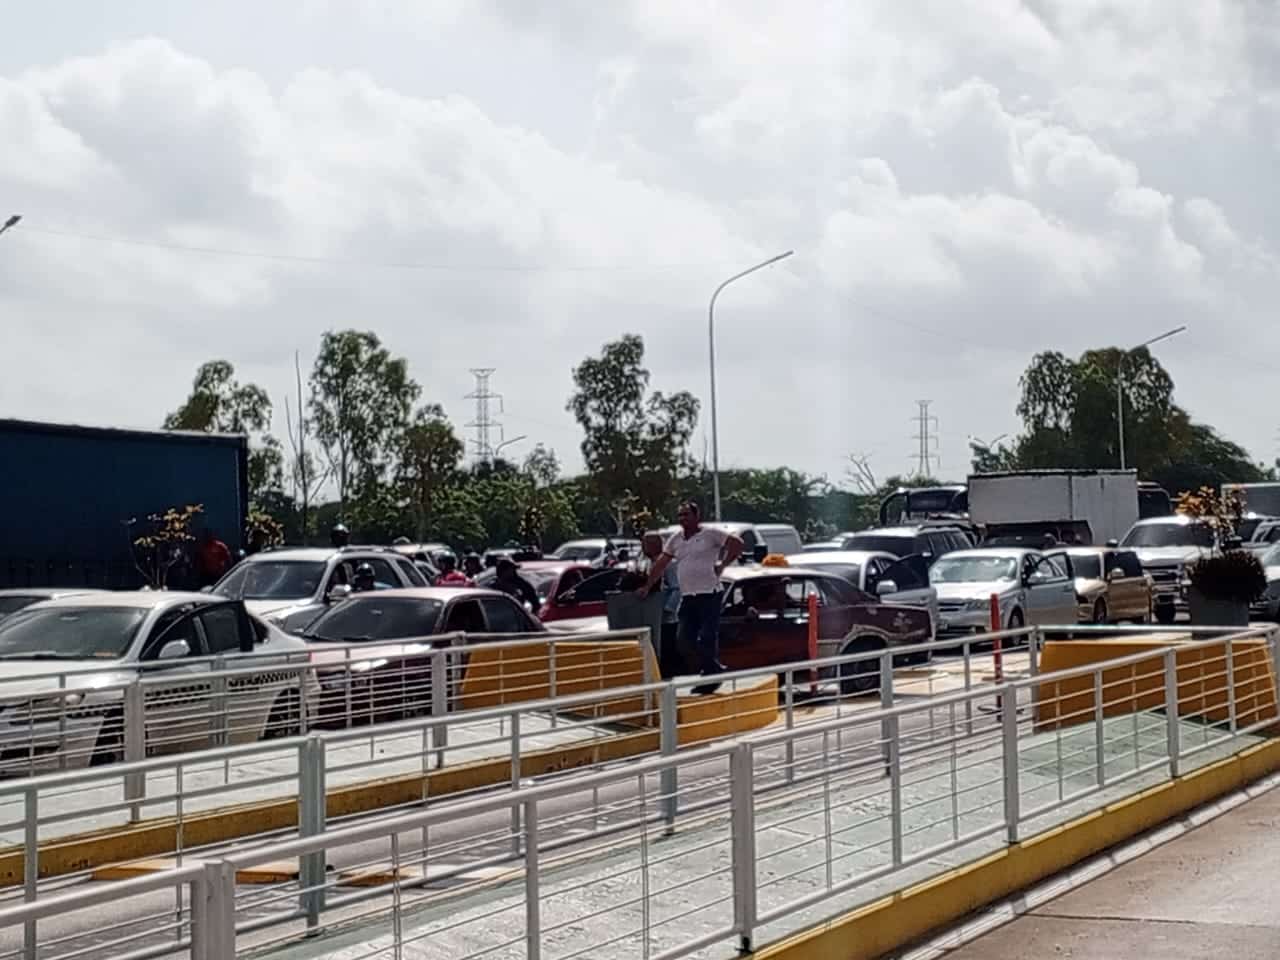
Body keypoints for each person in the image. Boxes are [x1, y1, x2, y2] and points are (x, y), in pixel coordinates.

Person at [639, 501, 743, 692]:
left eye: (686, 515)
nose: (683, 519)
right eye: (680, 515)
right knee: (684, 640)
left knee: (706, 636)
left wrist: (723, 564)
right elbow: (662, 563)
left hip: (709, 594)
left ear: (697, 516)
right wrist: (647, 586)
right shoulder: (676, 539)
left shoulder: (710, 534)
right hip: (688, 596)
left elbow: (737, 544)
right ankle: (713, 669)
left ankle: (709, 678)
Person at [641, 532, 682, 677]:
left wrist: (668, 609)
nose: (643, 547)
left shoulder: (668, 564)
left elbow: (676, 588)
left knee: (667, 647)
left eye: (646, 544)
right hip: (652, 615)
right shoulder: (648, 563)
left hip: (666, 618)